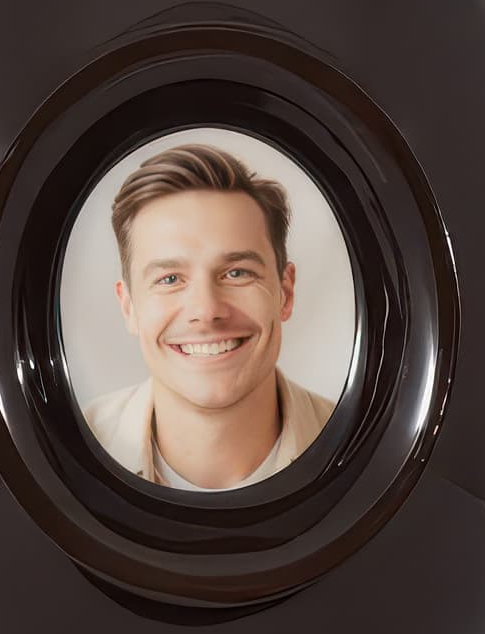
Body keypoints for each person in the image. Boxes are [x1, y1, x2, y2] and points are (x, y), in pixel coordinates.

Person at [82, 143, 335, 490]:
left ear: (285, 293)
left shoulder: (366, 446)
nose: (206, 310)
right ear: (129, 307)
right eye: (169, 279)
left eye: (237, 273)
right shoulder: (67, 448)